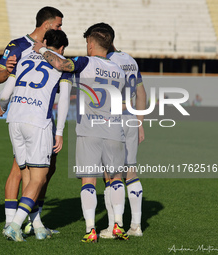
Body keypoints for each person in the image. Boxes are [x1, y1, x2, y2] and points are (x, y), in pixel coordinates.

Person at [33, 27, 126, 242]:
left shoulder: (86, 62)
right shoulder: (119, 70)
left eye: (87, 44)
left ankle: (90, 229)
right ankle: (117, 226)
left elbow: (61, 64)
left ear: (91, 45)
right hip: (114, 130)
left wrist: (41, 50)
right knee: (115, 179)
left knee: (88, 181)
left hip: (89, 131)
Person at [0, 6, 63, 235]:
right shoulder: (18, 46)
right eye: (59, 25)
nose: (61, 28)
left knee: (43, 170)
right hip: (34, 118)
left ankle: (36, 223)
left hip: (22, 116)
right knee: (23, 171)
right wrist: (8, 69)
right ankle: (11, 222)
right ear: (48, 24)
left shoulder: (47, 51)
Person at [83, 23, 146, 239]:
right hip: (130, 118)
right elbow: (141, 92)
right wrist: (140, 122)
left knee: (111, 176)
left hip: (112, 121)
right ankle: (136, 225)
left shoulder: (104, 62)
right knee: (131, 172)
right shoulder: (129, 60)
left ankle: (114, 226)